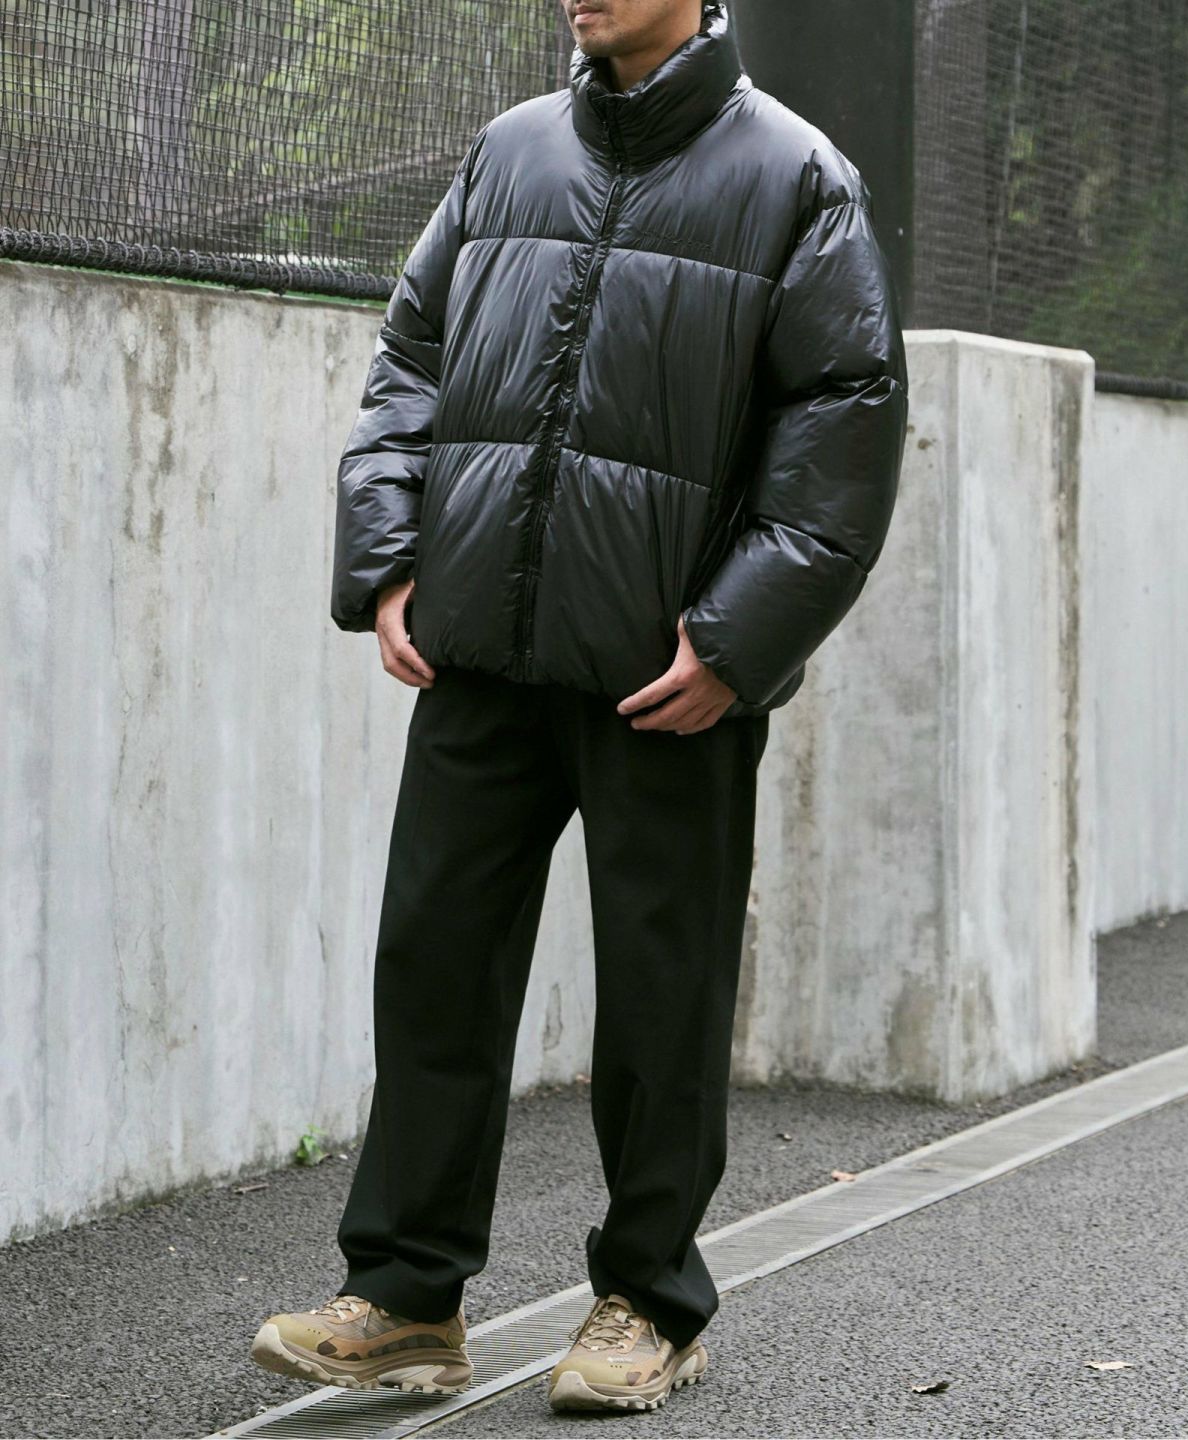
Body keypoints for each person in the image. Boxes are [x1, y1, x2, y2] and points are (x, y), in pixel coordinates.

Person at [250, 0, 907, 1414]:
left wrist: (734, 642)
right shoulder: (508, 153)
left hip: (665, 677)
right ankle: (407, 1296)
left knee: (663, 992)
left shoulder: (797, 178)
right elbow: (410, 363)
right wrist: (390, 560)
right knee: (433, 961)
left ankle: (650, 1301)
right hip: (481, 652)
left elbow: (844, 428)